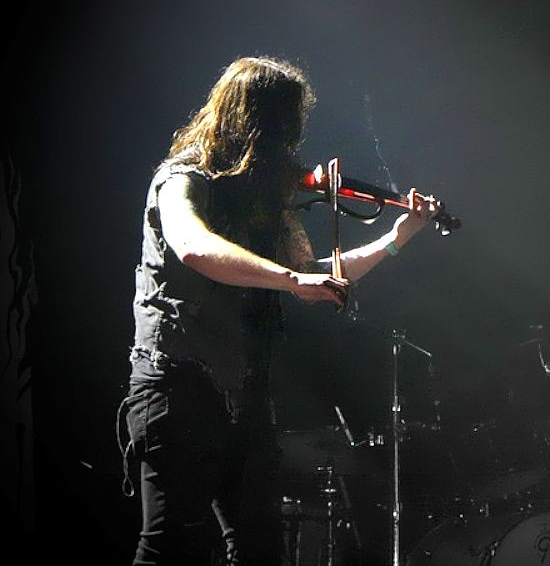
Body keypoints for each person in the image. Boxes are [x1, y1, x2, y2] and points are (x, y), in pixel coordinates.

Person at [118, 56, 439, 565]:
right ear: (252, 124)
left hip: (245, 397)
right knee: (169, 547)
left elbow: (314, 272)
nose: (289, 146)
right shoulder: (181, 178)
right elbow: (194, 246)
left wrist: (395, 240)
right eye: (282, 130)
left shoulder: (265, 200)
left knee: (262, 550)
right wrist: (290, 280)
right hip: (178, 386)